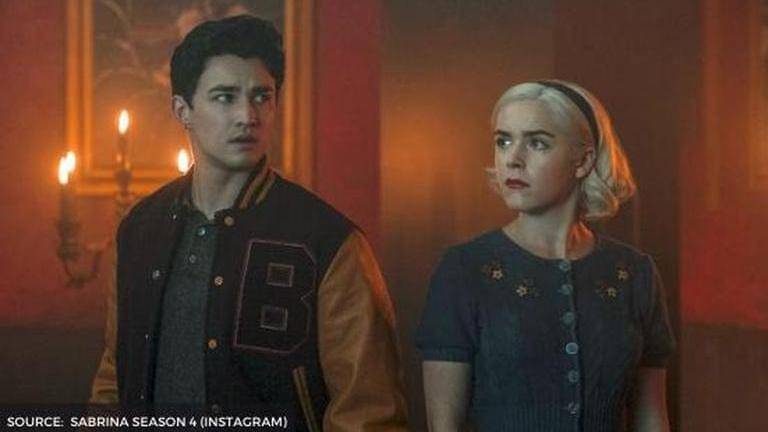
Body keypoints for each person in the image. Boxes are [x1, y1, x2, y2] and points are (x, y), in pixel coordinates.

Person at [89, 15, 408, 431]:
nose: (247, 115)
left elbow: (368, 410)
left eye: (262, 96)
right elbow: (115, 375)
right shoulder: (139, 229)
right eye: (224, 97)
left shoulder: (327, 241)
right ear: (183, 110)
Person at [416, 80, 675, 431]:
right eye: (503, 141)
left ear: (583, 161)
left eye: (537, 143)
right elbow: (444, 426)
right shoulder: (465, 269)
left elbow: (652, 418)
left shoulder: (633, 273)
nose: (513, 159)